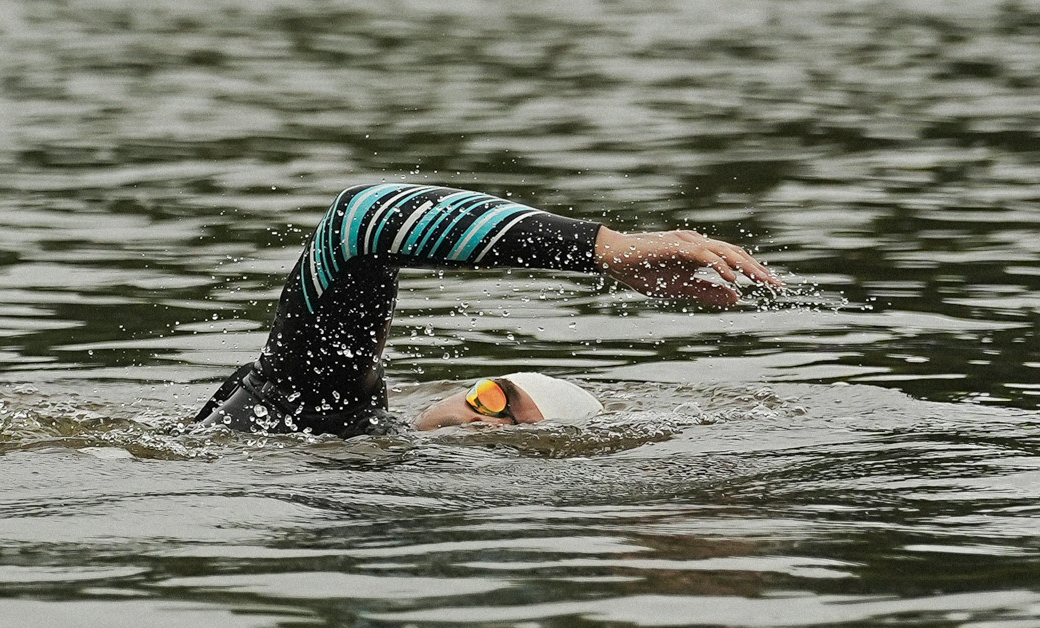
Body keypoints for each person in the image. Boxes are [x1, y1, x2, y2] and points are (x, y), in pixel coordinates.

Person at [194, 182, 779, 437]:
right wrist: (605, 250)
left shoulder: (413, 483)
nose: (487, 422)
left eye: (516, 431)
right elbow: (362, 218)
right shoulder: (319, 407)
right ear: (464, 389)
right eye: (495, 399)